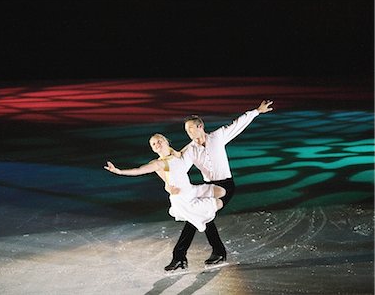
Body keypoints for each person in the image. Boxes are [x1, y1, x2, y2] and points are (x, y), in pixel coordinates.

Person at [164, 100, 274, 271]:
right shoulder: (190, 150)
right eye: (186, 130)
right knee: (200, 216)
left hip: (225, 186)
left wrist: (257, 111)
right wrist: (169, 186)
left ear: (201, 126)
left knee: (199, 216)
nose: (189, 132)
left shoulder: (217, 137)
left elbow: (238, 124)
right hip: (208, 187)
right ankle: (206, 253)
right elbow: (177, 170)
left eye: (191, 128)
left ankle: (184, 256)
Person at [104, 134, 226, 270]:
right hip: (183, 200)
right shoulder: (159, 163)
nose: (157, 145)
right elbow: (140, 170)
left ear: (166, 141)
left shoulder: (178, 155)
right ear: (153, 149)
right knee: (217, 204)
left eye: (159, 141)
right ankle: (184, 255)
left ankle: (182, 256)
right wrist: (119, 171)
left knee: (221, 192)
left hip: (191, 190)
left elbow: (193, 144)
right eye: (153, 144)